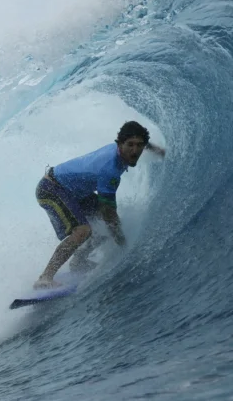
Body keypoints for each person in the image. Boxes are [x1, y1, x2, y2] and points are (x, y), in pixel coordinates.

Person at [33, 121, 165, 289]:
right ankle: (45, 278)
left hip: (75, 193)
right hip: (51, 189)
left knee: (104, 225)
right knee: (84, 230)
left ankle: (79, 261)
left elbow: (140, 142)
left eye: (140, 145)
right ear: (120, 144)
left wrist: (159, 151)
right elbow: (108, 212)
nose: (135, 150)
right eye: (130, 145)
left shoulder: (123, 150)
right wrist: (123, 245)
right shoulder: (109, 169)